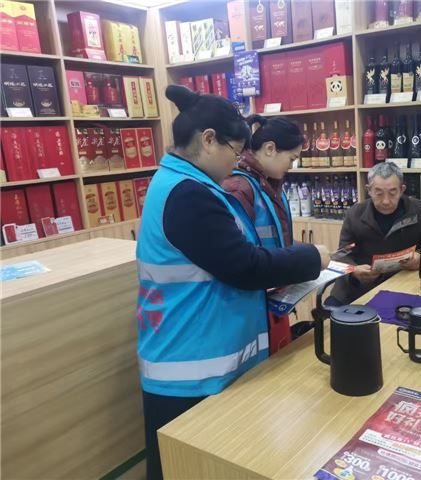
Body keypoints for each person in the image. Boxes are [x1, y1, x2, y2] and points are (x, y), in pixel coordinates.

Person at [136, 86, 330, 480]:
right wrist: (312, 257)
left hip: (201, 361)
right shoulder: (187, 195)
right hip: (190, 374)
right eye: (235, 150)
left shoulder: (191, 185)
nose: (238, 161)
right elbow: (244, 265)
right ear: (208, 140)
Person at [222, 115, 305, 352]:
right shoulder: (239, 188)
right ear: (270, 149)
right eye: (291, 158)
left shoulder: (268, 184)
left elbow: (275, 238)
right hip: (251, 304)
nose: (292, 166)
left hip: (272, 297)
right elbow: (238, 255)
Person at [330, 162, 421, 305]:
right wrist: (354, 271)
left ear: (402, 190)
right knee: (331, 315)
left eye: (392, 193)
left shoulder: (420, 211)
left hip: (401, 286)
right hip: (358, 290)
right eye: (379, 193)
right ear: (369, 190)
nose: (386, 201)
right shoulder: (355, 214)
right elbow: (342, 254)